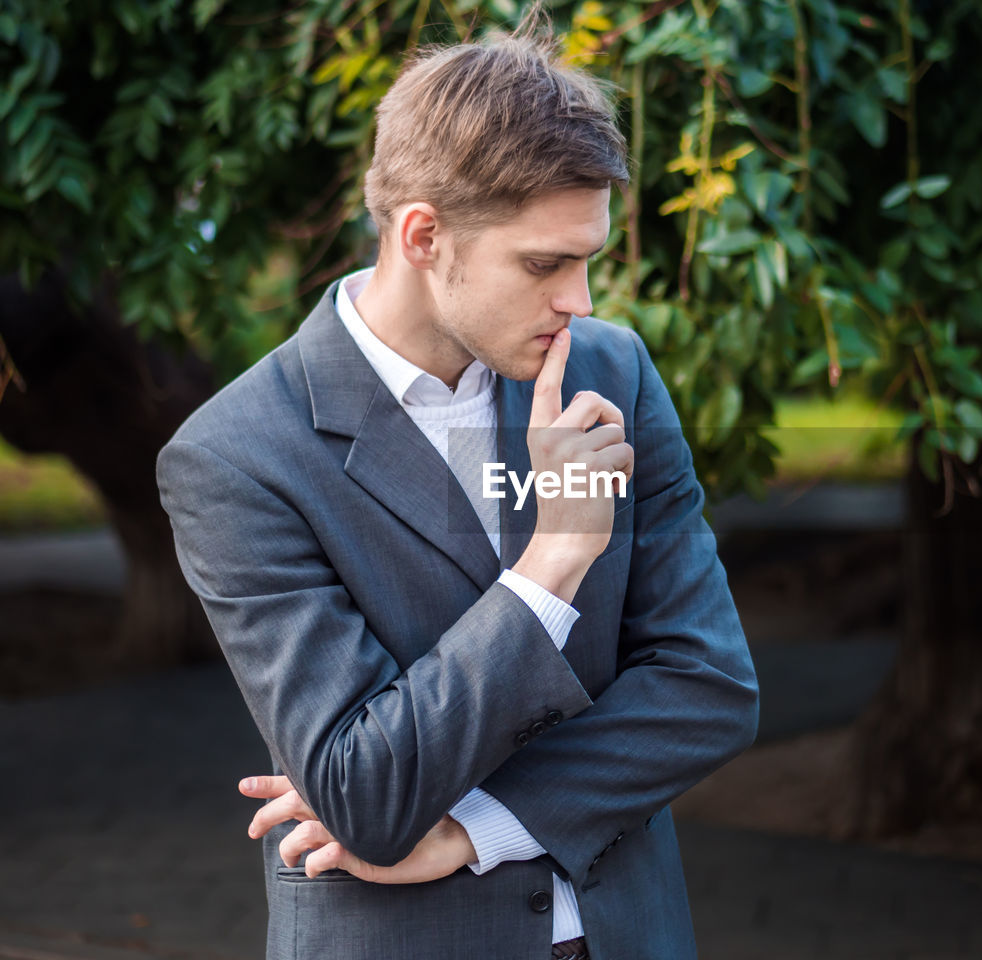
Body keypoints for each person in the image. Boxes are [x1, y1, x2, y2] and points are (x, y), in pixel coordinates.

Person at [156, 11, 758, 960]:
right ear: (424, 234)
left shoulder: (614, 373)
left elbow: (709, 684)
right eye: (545, 264)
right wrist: (554, 558)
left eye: (589, 259)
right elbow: (363, 793)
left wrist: (477, 826)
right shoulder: (237, 456)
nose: (581, 302)